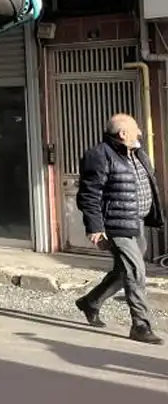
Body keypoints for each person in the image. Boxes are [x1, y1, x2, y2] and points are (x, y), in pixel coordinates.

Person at [75, 113, 165, 345]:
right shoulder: (99, 155)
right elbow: (89, 194)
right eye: (135, 128)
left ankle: (91, 301)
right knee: (136, 271)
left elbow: (147, 185)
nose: (140, 132)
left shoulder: (138, 154)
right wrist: (95, 226)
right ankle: (140, 325)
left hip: (135, 222)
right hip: (116, 225)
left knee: (124, 270)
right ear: (123, 133)